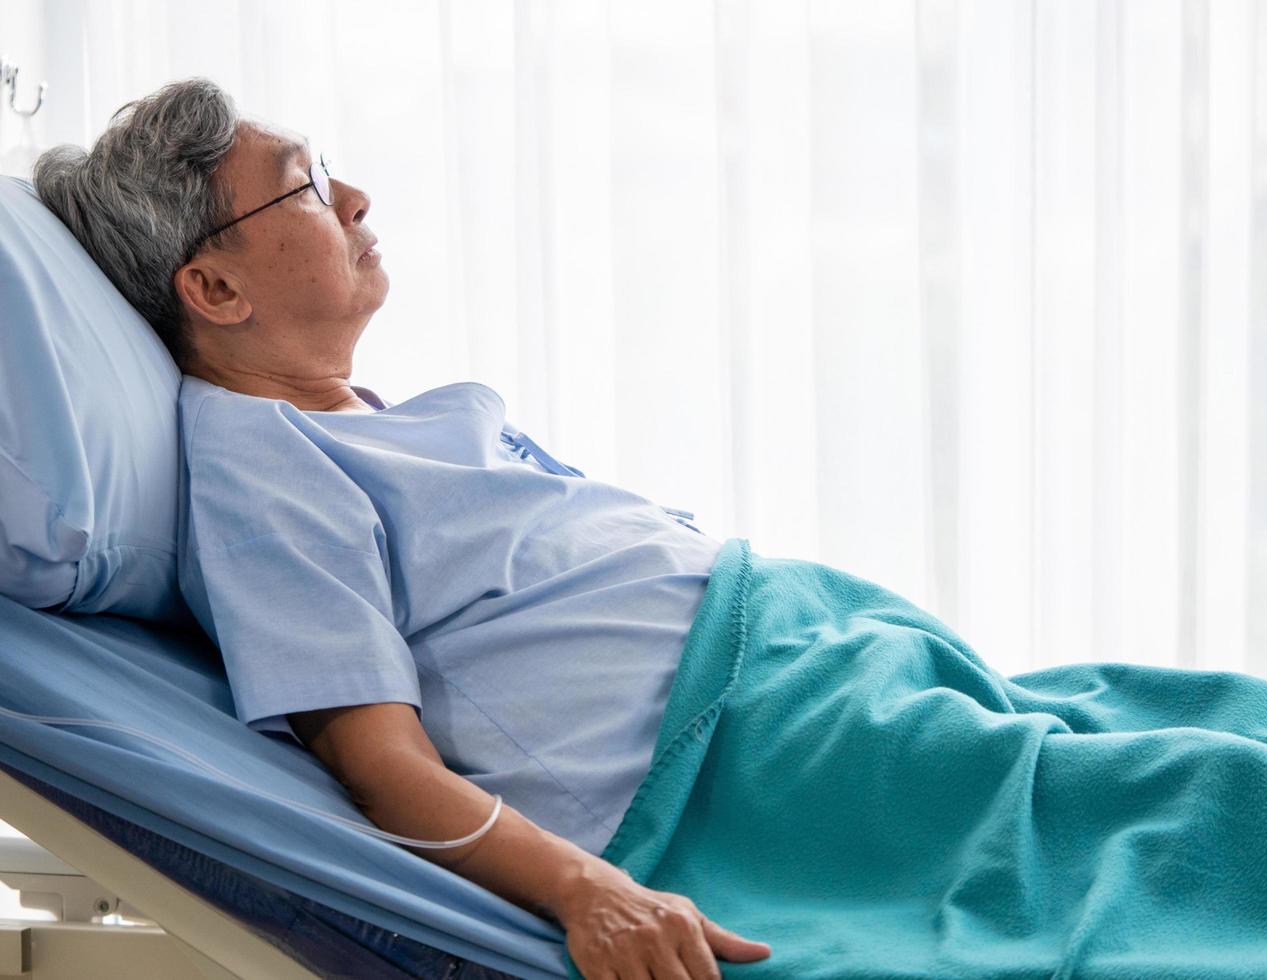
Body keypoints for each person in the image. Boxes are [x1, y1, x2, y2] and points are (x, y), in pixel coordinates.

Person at [34, 76, 769, 979]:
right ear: (216, 288)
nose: (353, 199)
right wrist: (590, 890)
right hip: (734, 751)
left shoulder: (350, 427)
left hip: (793, 656)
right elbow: (385, 767)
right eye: (305, 185)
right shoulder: (258, 465)